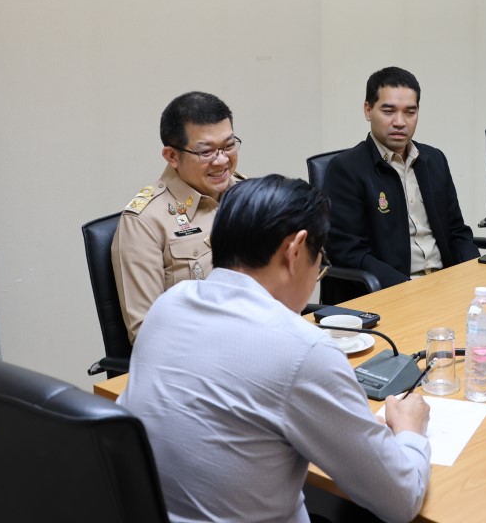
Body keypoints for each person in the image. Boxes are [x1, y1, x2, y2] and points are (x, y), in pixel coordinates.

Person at [119, 175, 431, 523]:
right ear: (295, 250)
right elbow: (401, 500)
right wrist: (410, 430)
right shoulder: (303, 349)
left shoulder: (168, 305)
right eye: (319, 263)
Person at [321, 67, 478, 301]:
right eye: (389, 111)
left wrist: (475, 274)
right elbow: (348, 252)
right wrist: (407, 289)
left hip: (445, 285)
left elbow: (457, 231)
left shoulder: (434, 160)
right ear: (368, 110)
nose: (400, 122)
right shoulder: (346, 169)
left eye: (410, 112)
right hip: (390, 293)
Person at [111, 91, 244, 342]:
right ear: (172, 156)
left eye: (228, 146)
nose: (222, 161)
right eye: (206, 152)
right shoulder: (145, 222)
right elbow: (147, 334)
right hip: (202, 352)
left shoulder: (249, 195)